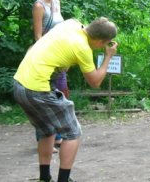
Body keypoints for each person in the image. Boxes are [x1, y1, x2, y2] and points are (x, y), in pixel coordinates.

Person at [13, 17, 118, 182]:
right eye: (105, 43)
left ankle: (44, 178)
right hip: (37, 90)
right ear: (100, 41)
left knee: (46, 129)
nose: (104, 46)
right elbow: (95, 82)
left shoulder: (71, 23)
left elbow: (55, 48)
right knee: (72, 132)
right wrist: (108, 57)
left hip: (19, 84)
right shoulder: (83, 48)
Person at [32, 0, 66, 149]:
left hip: (59, 56)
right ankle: (44, 140)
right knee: (44, 99)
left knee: (59, 96)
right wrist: (49, 56)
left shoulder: (57, 3)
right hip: (45, 58)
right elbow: (38, 36)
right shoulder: (39, 6)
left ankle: (58, 136)